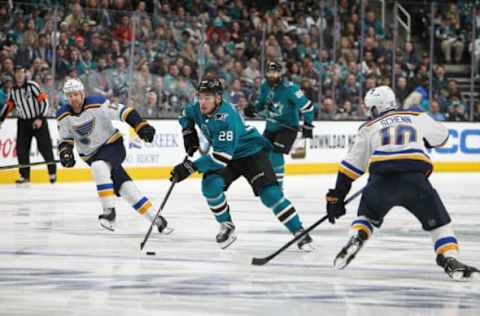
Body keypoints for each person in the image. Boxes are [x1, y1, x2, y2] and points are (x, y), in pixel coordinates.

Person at [325, 85, 479, 281]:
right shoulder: (415, 115)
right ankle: (450, 259)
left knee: (367, 216)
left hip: (380, 181)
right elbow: (443, 137)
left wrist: (336, 196)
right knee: (441, 225)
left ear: (375, 108)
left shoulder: (368, 127)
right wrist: (425, 140)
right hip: (414, 180)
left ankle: (358, 235)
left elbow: (349, 168)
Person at [170, 77, 313, 250]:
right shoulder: (197, 109)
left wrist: (191, 167)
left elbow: (221, 158)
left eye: (207, 98)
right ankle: (226, 225)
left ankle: (299, 232)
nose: (202, 102)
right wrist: (188, 131)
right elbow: (184, 115)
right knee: (210, 185)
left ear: (218, 98)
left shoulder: (227, 117)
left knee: (271, 195)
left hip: (251, 153)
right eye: (200, 97)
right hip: (228, 155)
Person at [56, 79, 172, 234]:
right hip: (91, 155)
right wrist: (65, 152)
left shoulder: (98, 104)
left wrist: (141, 125)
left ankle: (109, 212)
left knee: (99, 166)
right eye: (69, 95)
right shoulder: (63, 115)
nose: (73, 98)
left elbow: (125, 112)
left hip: (112, 146)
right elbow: (65, 139)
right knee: (126, 189)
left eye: (76, 94)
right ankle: (157, 219)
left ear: (82, 93)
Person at [244, 61, 314, 189]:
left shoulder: (290, 89)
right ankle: (270, 181)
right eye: (269, 72)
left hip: (288, 127)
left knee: (276, 153)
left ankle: (278, 186)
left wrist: (308, 124)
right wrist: (253, 109)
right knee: (263, 154)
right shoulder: (265, 86)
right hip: (271, 126)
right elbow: (261, 104)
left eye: (275, 72)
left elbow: (308, 107)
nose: (271, 75)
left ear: (281, 73)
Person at [0, 65, 56, 186]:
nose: (19, 75)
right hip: (23, 122)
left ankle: (52, 172)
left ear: (25, 74)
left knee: (45, 148)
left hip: (37, 120)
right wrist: (1, 120)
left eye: (22, 72)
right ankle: (25, 176)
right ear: (14, 75)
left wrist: (40, 118)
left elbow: (44, 102)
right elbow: (9, 106)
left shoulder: (32, 86)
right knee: (22, 149)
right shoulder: (13, 90)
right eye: (17, 72)